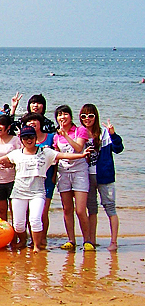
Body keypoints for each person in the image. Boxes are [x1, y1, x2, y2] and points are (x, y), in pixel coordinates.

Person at [0, 126, 86, 252]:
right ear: (21, 139)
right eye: (25, 137)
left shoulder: (46, 152)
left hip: (37, 192)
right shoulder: (16, 154)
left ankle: (36, 245)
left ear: (35, 138)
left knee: (35, 220)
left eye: (31, 137)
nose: (28, 140)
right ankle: (23, 241)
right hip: (19, 192)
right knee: (18, 224)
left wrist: (81, 155)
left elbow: (63, 155)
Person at [81, 107, 122, 251]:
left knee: (110, 207)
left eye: (90, 115)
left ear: (96, 116)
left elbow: (118, 148)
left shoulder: (104, 133)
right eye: (84, 116)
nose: (87, 118)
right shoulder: (80, 133)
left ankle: (114, 242)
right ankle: (91, 241)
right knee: (92, 209)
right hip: (86, 176)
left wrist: (113, 134)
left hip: (105, 176)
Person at [53, 105, 91, 250]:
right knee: (67, 209)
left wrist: (66, 135)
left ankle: (87, 240)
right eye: (59, 115)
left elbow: (79, 148)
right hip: (63, 173)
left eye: (65, 114)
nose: (62, 117)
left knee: (80, 210)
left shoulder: (80, 130)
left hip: (79, 172)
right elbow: (57, 155)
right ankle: (71, 240)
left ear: (70, 116)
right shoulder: (56, 136)